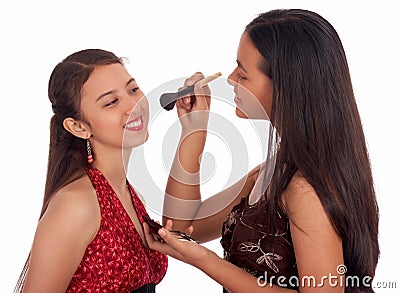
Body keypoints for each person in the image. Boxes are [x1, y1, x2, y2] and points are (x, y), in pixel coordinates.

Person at [144, 9, 380, 293]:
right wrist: (193, 131)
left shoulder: (306, 191)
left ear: (285, 88)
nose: (230, 79)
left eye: (243, 74)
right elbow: (182, 226)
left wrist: (206, 261)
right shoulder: (270, 172)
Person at [14, 49, 167, 292]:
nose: (133, 105)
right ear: (78, 126)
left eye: (133, 89)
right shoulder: (76, 204)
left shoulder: (129, 193)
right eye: (111, 102)